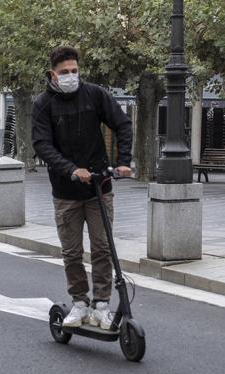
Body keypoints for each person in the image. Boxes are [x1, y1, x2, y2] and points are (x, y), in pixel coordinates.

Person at [32, 46, 133, 330]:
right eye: (65, 72)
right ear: (53, 74)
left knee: (103, 248)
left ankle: (101, 304)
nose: (71, 76)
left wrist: (123, 161)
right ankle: (79, 301)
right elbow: (42, 145)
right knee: (72, 252)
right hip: (66, 191)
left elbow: (122, 125)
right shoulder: (43, 104)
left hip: (99, 186)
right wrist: (71, 170)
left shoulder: (95, 95)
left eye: (74, 71)